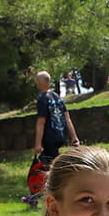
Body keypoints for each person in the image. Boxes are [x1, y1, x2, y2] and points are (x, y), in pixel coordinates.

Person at [27, 71, 78, 204]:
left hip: (49, 137)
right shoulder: (57, 98)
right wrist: (74, 137)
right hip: (60, 135)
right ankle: (38, 195)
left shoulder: (43, 99)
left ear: (39, 82)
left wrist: (37, 144)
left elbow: (41, 122)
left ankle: (39, 196)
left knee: (46, 169)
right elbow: (67, 118)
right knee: (48, 166)